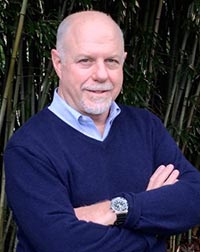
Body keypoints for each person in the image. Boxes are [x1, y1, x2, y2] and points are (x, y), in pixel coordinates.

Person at [4, 10, 200, 252]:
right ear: (58, 63)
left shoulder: (146, 127)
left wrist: (117, 209)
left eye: (111, 61)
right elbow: (61, 243)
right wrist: (152, 230)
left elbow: (194, 198)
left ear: (123, 62)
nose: (101, 74)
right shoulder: (28, 148)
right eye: (85, 60)